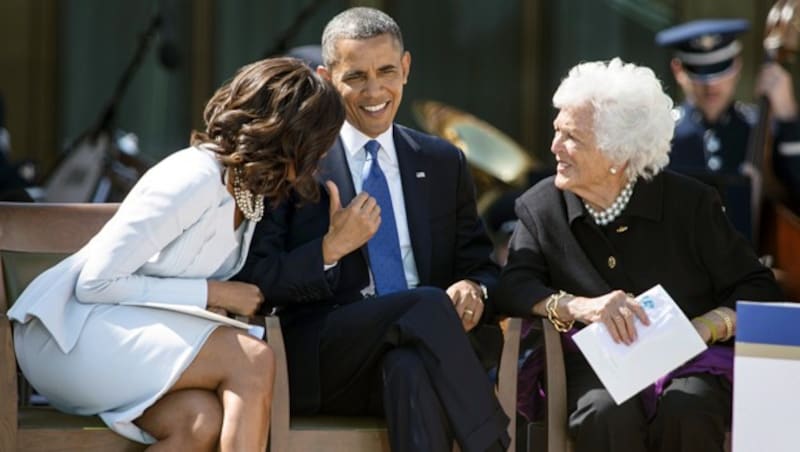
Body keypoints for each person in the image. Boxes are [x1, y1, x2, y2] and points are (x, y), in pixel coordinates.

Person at [8, 57, 345, 451]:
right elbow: (95, 282)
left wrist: (332, 245)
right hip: (67, 337)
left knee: (198, 422)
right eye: (320, 144)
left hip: (124, 338)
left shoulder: (250, 194)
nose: (323, 158)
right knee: (252, 359)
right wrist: (213, 294)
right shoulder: (193, 177)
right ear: (290, 135)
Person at [234, 7, 510, 452]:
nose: (374, 90)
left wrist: (475, 289)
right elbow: (256, 281)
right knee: (423, 304)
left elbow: (482, 265)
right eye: (356, 76)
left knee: (409, 369)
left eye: (385, 72)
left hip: (422, 357)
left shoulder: (441, 161)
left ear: (406, 69)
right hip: (326, 364)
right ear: (327, 78)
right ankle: (495, 445)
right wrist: (329, 248)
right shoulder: (295, 162)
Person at [495, 58, 784, 452]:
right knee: (604, 413)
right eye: (556, 131)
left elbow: (758, 287)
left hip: (689, 362)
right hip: (596, 366)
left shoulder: (690, 204)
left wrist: (704, 328)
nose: (554, 147)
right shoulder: (541, 206)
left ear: (619, 155)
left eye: (572, 138)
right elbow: (513, 286)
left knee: (689, 408)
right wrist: (582, 307)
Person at [656, 19, 800, 240]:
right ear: (678, 70)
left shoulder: (761, 129)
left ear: (738, 64)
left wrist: (788, 117)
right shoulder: (660, 133)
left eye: (720, 70)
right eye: (700, 71)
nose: (711, 85)